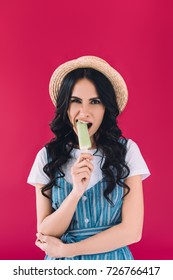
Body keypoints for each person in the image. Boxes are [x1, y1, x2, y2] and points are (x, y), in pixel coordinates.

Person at [27, 56, 150, 260]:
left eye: (95, 102)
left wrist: (68, 251)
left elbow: (132, 232)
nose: (84, 112)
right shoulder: (47, 157)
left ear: (105, 109)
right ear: (65, 107)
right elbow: (45, 233)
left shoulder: (127, 152)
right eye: (76, 101)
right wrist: (75, 192)